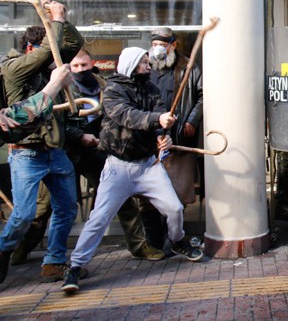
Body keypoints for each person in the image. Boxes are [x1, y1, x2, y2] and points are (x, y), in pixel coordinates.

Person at [62, 47, 203, 294]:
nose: (149, 67)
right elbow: (128, 116)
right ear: (131, 65)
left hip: (149, 165)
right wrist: (156, 120)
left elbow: (159, 117)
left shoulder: (151, 89)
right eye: (144, 63)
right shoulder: (113, 91)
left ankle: (178, 240)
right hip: (118, 168)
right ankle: (75, 266)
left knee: (175, 208)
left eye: (148, 63)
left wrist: (164, 135)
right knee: (99, 218)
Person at [10, 50, 165, 266]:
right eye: (76, 67)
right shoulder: (62, 87)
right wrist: (80, 135)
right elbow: (56, 120)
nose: (81, 70)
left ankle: (139, 245)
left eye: (84, 65)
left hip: (96, 151)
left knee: (122, 199)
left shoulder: (104, 85)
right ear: (69, 68)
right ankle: (20, 251)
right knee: (45, 208)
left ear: (91, 63)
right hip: (65, 151)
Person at [0, 1, 84, 285]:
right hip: (26, 154)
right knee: (23, 215)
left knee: (66, 208)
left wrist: (61, 19)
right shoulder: (14, 69)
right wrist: (56, 20)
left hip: (54, 151)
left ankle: (54, 262)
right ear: (29, 50)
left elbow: (74, 43)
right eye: (47, 50)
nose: (56, 58)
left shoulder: (48, 67)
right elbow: (51, 49)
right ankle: (3, 251)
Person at [139, 27, 203, 250]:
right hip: (151, 142)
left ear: (173, 45)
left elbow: (202, 95)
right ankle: (155, 240)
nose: (157, 48)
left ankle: (174, 236)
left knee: (179, 192)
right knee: (151, 195)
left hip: (179, 140)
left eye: (162, 43)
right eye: (154, 43)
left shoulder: (188, 67)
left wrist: (191, 121)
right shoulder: (145, 68)